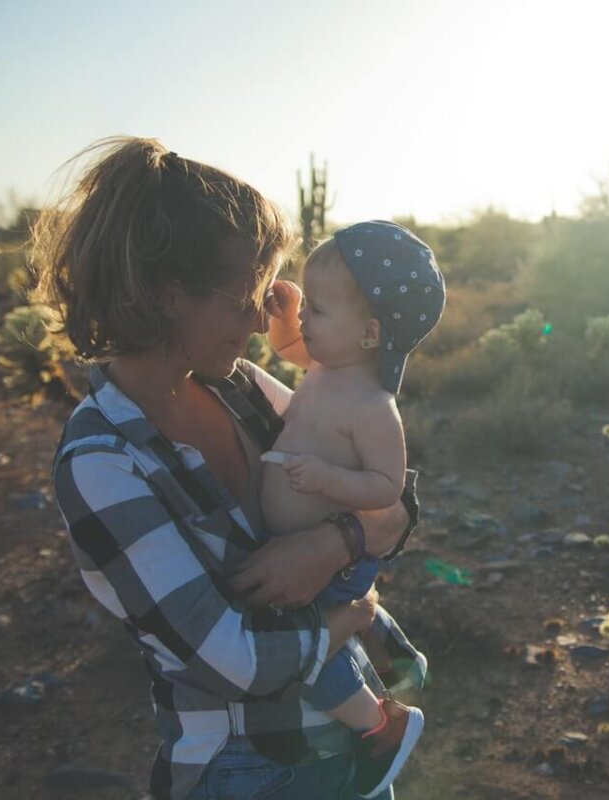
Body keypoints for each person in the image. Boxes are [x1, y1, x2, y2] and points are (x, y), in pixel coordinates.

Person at [33, 136, 423, 800]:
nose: (257, 320)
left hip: (347, 745)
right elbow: (233, 659)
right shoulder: (102, 462)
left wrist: (336, 542)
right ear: (167, 296)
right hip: (251, 768)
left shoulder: (240, 387)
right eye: (244, 298)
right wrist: (347, 617)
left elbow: (396, 501)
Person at [258, 223, 444, 797]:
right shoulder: (326, 367)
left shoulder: (371, 406)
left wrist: (329, 478)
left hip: (329, 562)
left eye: (318, 309)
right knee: (338, 619)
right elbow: (291, 347)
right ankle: (392, 646)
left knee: (310, 646)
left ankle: (379, 725)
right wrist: (287, 315)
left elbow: (387, 486)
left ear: (368, 333)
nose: (307, 322)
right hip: (315, 554)